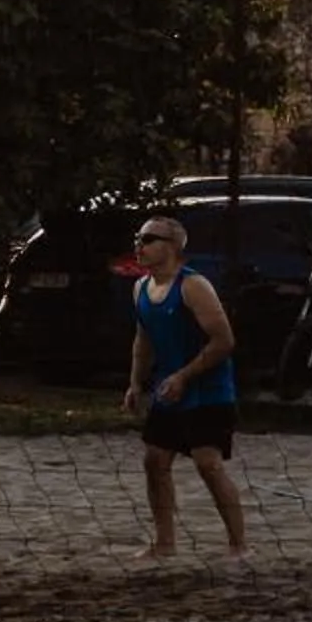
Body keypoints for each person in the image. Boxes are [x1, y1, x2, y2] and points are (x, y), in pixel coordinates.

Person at [124, 214, 248, 559]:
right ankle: (164, 543)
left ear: (174, 247)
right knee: (154, 460)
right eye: (139, 238)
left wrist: (184, 376)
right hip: (169, 391)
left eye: (150, 239)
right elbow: (143, 339)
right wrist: (135, 382)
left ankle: (238, 545)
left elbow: (224, 341)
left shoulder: (193, 286)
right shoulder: (141, 288)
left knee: (207, 463)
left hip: (209, 390)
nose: (140, 245)